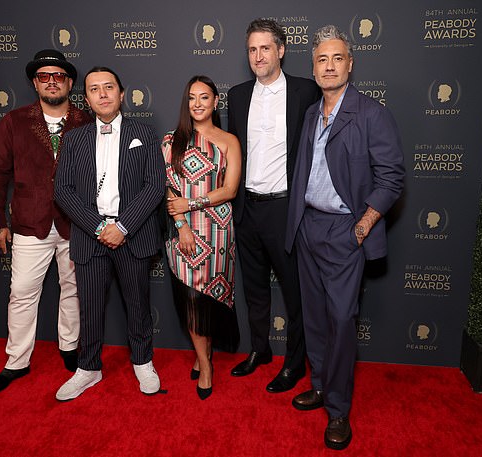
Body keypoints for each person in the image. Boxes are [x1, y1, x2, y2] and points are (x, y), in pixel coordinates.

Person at [285, 25, 405, 450]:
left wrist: (363, 224)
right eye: (321, 59)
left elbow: (392, 178)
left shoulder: (371, 114)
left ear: (350, 65)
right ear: (313, 67)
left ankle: (338, 410)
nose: (329, 66)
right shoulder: (309, 113)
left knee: (340, 320)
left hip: (343, 232)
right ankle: (319, 385)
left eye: (337, 58)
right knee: (315, 318)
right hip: (308, 228)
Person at [0, 49, 92, 396]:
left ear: (70, 83)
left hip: (77, 223)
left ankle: (70, 349)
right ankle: (16, 361)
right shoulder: (14, 121)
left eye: (58, 76)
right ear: (35, 82)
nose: (52, 81)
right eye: (44, 76)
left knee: (73, 290)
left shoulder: (87, 121)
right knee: (21, 294)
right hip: (30, 224)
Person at [54, 66, 165, 401]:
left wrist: (123, 227)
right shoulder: (73, 139)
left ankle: (143, 361)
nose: (102, 94)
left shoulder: (144, 134)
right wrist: (101, 227)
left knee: (138, 305)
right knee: (89, 307)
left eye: (108, 87)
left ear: (121, 93)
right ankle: (88, 368)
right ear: (86, 98)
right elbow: (64, 191)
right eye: (94, 89)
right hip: (91, 236)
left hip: (132, 234)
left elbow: (154, 185)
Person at [227, 18, 321, 392]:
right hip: (247, 207)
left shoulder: (306, 91)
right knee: (254, 289)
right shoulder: (236, 95)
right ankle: (260, 350)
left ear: (281, 50)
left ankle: (296, 363)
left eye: (265, 48)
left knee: (295, 292)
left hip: (286, 209)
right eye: (252, 49)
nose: (258, 56)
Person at [162, 75, 241, 400]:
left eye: (204, 97)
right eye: (192, 97)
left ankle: (203, 356)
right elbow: (169, 189)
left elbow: (230, 189)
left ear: (214, 102)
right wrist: (181, 223)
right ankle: (206, 366)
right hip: (183, 231)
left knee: (208, 298)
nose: (197, 103)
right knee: (191, 298)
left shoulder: (228, 141)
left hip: (219, 231)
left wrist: (191, 203)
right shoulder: (171, 141)